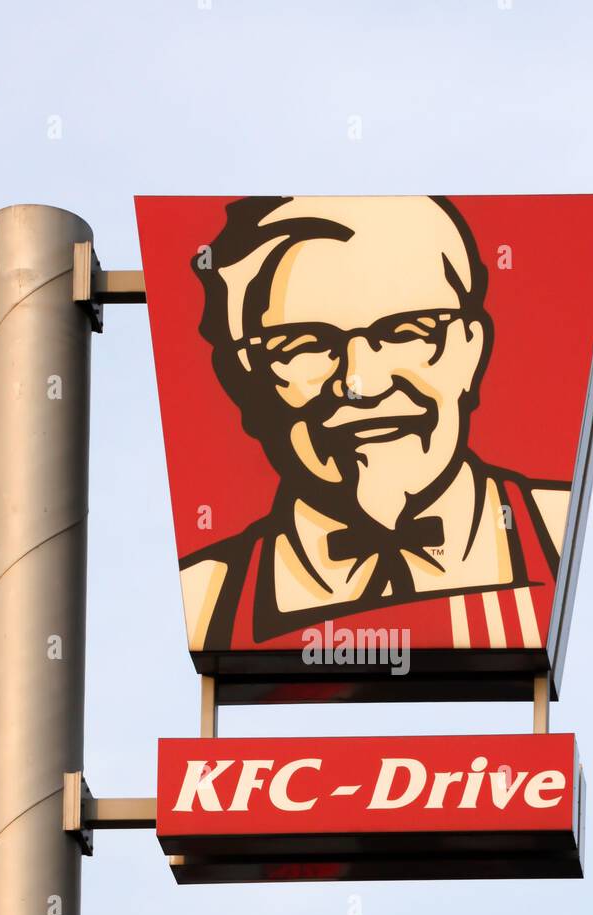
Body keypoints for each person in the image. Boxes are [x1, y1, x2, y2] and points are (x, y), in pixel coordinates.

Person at [180, 195, 570, 652]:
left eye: (407, 332)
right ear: (245, 379)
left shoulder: (559, 530)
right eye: (304, 343)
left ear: (471, 349)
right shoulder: (207, 594)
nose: (361, 382)